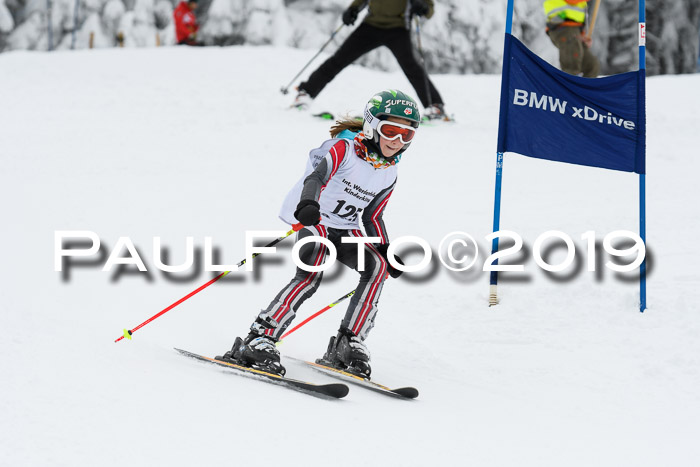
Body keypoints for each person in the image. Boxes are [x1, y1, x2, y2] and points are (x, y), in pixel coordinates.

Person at [221, 89, 421, 378]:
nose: (397, 141)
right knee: (314, 271)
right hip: (314, 219)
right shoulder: (344, 149)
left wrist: (386, 250)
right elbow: (316, 177)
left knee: (377, 267)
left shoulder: (389, 171)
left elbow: (373, 215)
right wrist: (308, 204)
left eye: (407, 136)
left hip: (346, 228)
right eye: (390, 131)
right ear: (370, 125)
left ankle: (348, 341)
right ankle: (258, 338)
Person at [292, 0, 447, 121]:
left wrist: (423, 7)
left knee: (411, 67)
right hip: (370, 26)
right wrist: (352, 10)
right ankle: (305, 93)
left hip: (398, 29)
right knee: (339, 59)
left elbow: (429, 9)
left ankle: (435, 106)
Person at [543, 0, 600, 78]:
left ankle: (586, 88)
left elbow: (578, 16)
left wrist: (582, 36)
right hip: (563, 28)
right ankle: (568, 87)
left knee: (591, 65)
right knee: (571, 65)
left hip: (575, 31)